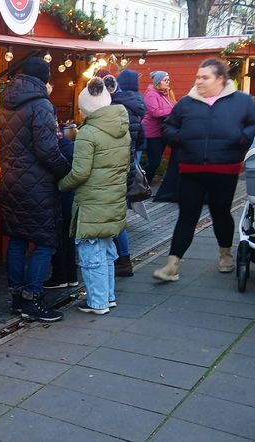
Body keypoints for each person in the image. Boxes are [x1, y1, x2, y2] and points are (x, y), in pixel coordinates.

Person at [153, 58, 255, 282]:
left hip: (224, 169)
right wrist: (178, 137)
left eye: (205, 77)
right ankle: (172, 265)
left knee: (220, 213)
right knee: (187, 215)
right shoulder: (186, 102)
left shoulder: (242, 102)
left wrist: (241, 139)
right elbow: (168, 126)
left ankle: (225, 255)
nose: (199, 81)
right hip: (191, 169)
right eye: (197, 77)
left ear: (220, 79)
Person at [0, 56, 71, 322]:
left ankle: (17, 299)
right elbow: (47, 150)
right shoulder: (41, 105)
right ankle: (33, 299)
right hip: (38, 185)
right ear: (44, 79)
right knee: (45, 242)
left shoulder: (5, 103)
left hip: (11, 181)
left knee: (17, 240)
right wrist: (66, 171)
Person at [59, 77, 130, 315]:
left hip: (92, 201)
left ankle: (97, 301)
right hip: (114, 197)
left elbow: (79, 173)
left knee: (91, 253)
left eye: (81, 108)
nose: (79, 112)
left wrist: (61, 185)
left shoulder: (88, 133)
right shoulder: (122, 128)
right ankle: (107, 297)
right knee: (107, 250)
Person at [106, 70, 146, 277]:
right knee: (119, 214)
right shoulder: (137, 106)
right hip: (128, 165)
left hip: (113, 167)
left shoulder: (115, 108)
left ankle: (122, 260)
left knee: (113, 215)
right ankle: (123, 259)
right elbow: (141, 141)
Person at [43, 121, 78, 289]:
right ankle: (72, 276)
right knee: (68, 238)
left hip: (59, 197)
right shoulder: (70, 146)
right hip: (71, 197)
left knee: (58, 238)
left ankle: (60, 276)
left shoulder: (53, 150)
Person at [143, 70, 175, 183]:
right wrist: (172, 110)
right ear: (158, 82)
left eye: (168, 80)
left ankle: (146, 184)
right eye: (165, 80)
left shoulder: (166, 94)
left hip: (161, 132)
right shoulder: (151, 94)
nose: (168, 82)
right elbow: (155, 112)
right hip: (151, 133)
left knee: (155, 162)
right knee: (154, 162)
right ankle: (142, 183)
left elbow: (173, 105)